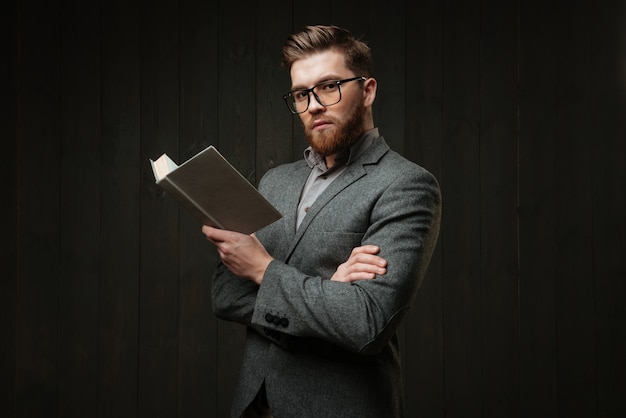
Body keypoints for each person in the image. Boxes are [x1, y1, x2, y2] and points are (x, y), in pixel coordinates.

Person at [202, 24, 442, 418]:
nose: (313, 105)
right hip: (253, 406)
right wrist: (328, 292)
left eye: (329, 86)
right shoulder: (275, 181)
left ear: (367, 91)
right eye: (300, 94)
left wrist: (264, 270)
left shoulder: (406, 185)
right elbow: (225, 294)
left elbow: (367, 322)